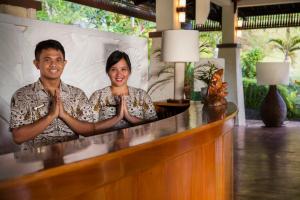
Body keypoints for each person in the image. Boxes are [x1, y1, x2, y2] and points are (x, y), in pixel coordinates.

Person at [10, 39, 94, 148]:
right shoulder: (21, 95)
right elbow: (18, 138)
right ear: (37, 64)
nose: (53, 64)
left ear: (64, 63)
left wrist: (64, 115)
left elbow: (90, 131)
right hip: (36, 162)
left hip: (71, 161)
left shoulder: (78, 94)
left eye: (58, 60)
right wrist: (51, 116)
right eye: (47, 60)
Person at [89, 50, 157, 130]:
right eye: (113, 69)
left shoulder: (141, 95)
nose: (119, 74)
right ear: (107, 71)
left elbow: (154, 126)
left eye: (123, 69)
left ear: (130, 71)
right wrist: (117, 118)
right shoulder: (97, 96)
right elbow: (89, 129)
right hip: (107, 142)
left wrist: (130, 117)